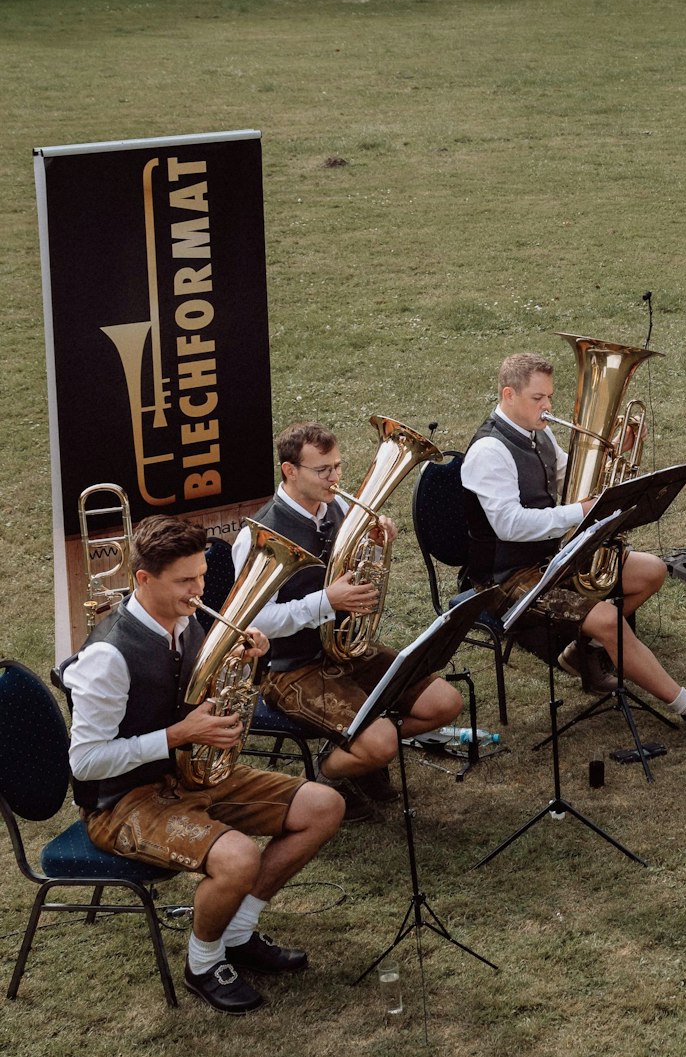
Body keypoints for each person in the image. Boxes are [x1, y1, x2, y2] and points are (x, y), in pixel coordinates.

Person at [66, 516, 344, 1014]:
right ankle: (204, 960)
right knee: (239, 858)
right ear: (143, 579)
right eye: (185, 581)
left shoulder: (186, 619)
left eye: (199, 576)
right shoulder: (108, 657)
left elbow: (203, 693)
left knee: (323, 805)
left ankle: (237, 931)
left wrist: (249, 661)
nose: (199, 591)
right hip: (123, 801)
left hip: (190, 773)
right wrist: (176, 736)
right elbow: (85, 763)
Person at [461, 351, 686, 746]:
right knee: (610, 622)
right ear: (508, 394)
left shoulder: (537, 432)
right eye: (537, 398)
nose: (547, 407)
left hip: (550, 558)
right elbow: (509, 525)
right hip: (506, 579)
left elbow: (566, 473)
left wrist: (614, 449)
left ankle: (583, 651)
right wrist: (577, 512)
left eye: (550, 398)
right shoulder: (488, 452)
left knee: (652, 571)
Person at [234, 422, 464, 818]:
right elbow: (251, 624)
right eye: (323, 470)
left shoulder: (337, 507)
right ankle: (330, 776)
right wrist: (326, 600)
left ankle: (351, 753)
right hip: (290, 668)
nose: (336, 477)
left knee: (444, 704)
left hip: (345, 647)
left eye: (337, 466)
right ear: (289, 471)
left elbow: (354, 565)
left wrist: (374, 542)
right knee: (382, 742)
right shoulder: (259, 536)